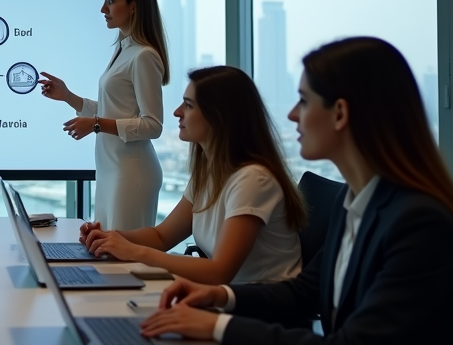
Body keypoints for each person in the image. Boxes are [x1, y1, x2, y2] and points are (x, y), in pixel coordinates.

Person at [140, 37, 453, 345]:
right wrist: (219, 296)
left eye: (303, 101)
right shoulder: (356, 202)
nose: (291, 115)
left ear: (340, 114)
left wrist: (218, 325)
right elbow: (303, 291)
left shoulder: (418, 222)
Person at [81, 66, 307, 284]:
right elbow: (162, 237)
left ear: (219, 116)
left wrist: (134, 252)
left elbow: (219, 272)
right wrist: (108, 236)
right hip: (227, 299)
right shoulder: (211, 171)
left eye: (188, 105)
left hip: (260, 310)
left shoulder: (253, 180)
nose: (177, 112)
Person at [39, 0, 168, 230]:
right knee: (107, 253)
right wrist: (68, 96)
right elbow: (117, 110)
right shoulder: (124, 49)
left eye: (111, 1)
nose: (103, 9)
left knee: (121, 261)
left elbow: (152, 125)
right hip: (112, 171)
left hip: (132, 174)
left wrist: (96, 124)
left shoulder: (143, 55)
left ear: (133, 6)